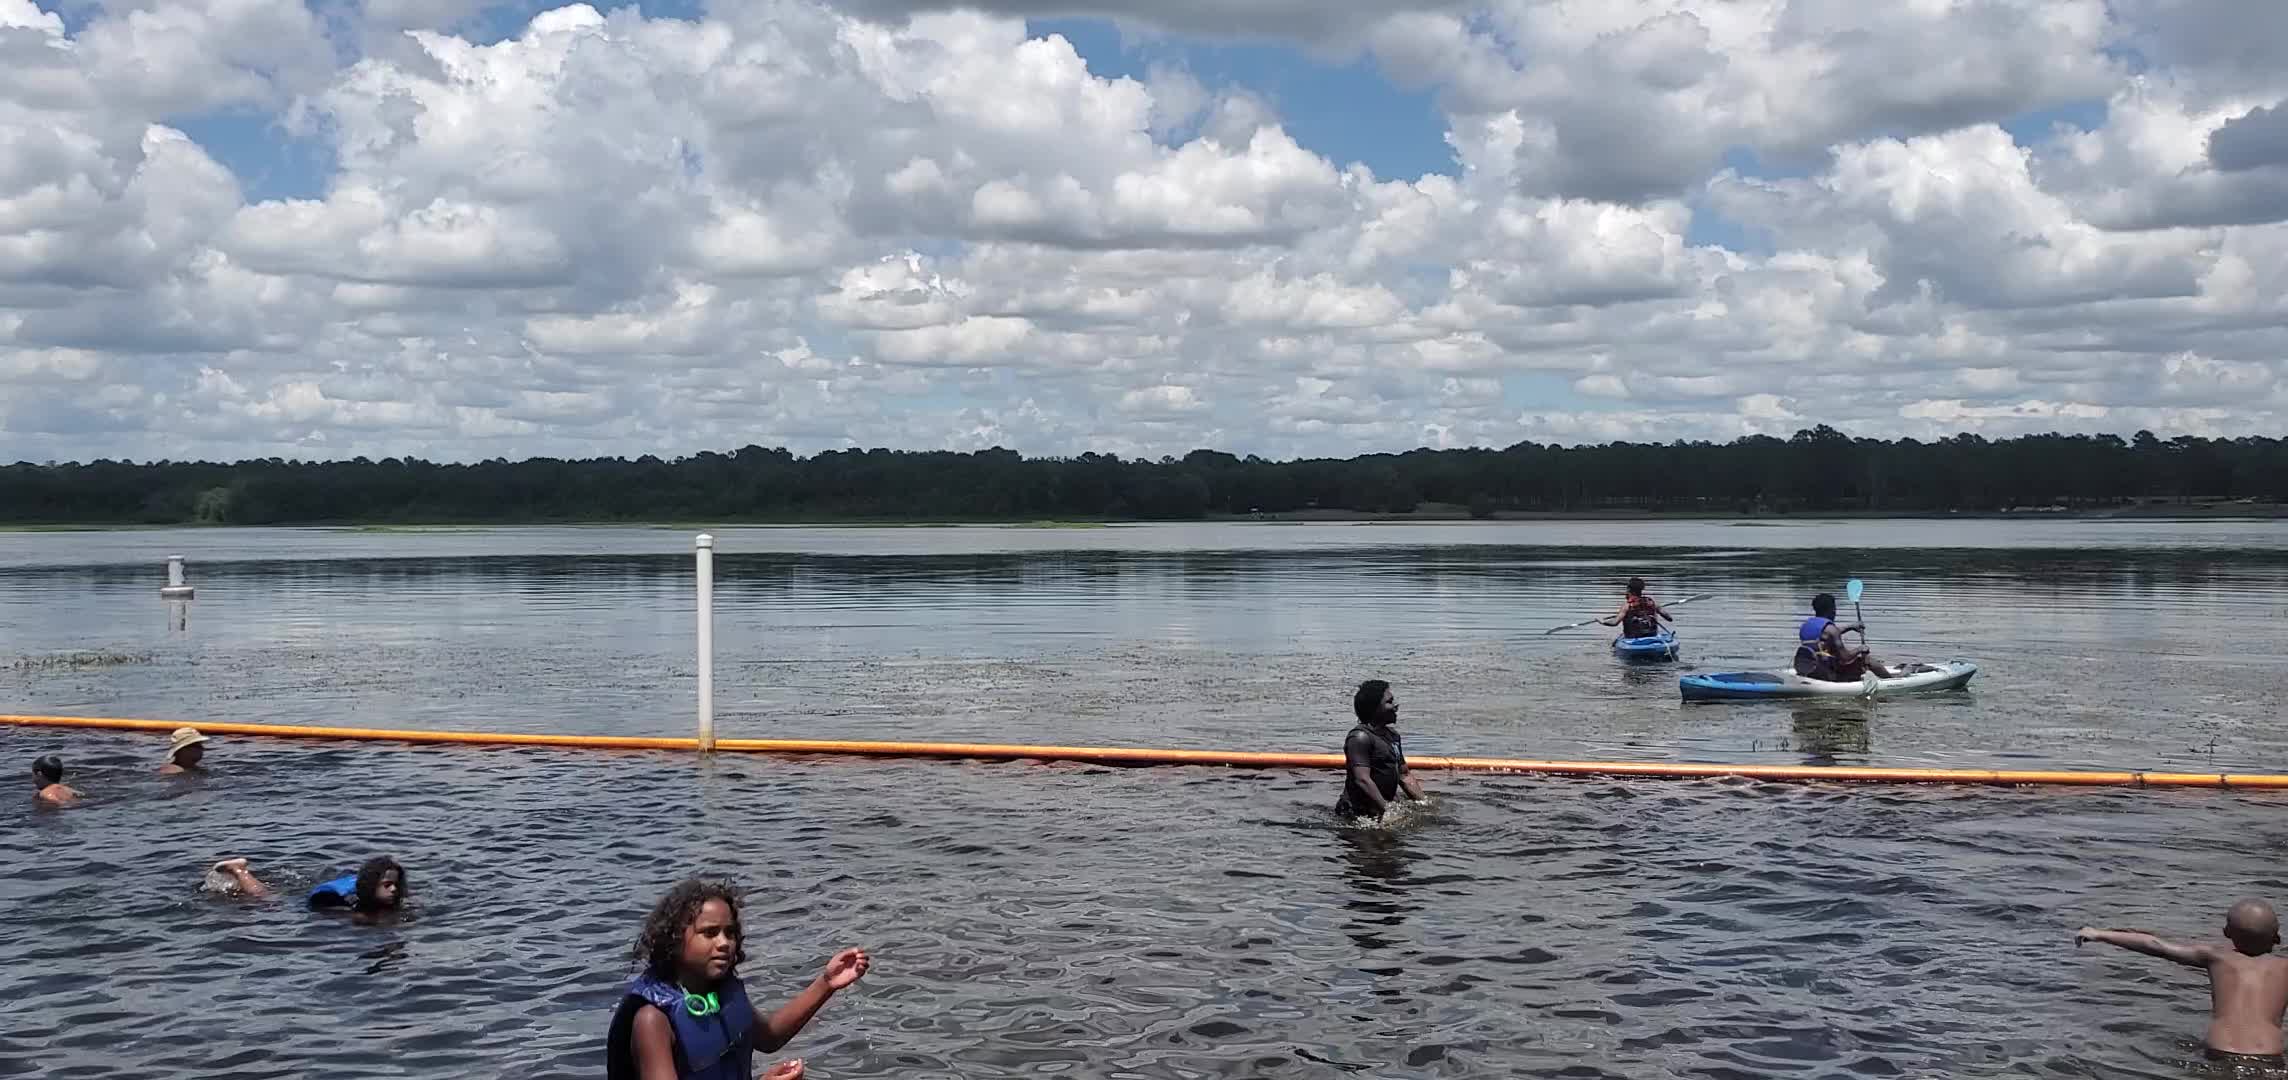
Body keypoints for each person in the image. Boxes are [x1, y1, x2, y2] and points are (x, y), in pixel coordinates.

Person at [605, 877, 870, 1080]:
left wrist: (826, 983)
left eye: (729, 933)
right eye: (709, 933)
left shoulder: (722, 993)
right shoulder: (653, 1020)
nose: (724, 943)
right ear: (674, 942)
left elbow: (769, 1037)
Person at [2077, 900, 2288, 1066]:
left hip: (2220, 1050)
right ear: (2277, 938)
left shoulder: (2215, 956)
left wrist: (2098, 934)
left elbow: (2156, 945)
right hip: (2268, 1055)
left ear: (2226, 933)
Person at [1334, 679, 1424, 821]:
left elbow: (1404, 775)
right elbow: (1362, 780)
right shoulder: (1360, 737)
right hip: (1356, 815)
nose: (1395, 706)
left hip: (1379, 810)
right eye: (1389, 702)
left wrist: (1424, 803)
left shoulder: (1393, 736)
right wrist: (1389, 811)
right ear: (1374, 709)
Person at [1794, 592, 1892, 681]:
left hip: (1809, 669)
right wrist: (1860, 649)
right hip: (1826, 674)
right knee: (1867, 660)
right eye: (1835, 608)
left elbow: (1826, 636)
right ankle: (1891, 681)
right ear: (1832, 609)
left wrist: (1850, 627)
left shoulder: (1806, 625)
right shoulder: (1832, 630)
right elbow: (1845, 658)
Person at [309, 856, 410, 923]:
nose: (394, 889)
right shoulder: (342, 901)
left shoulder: (395, 897)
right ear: (372, 885)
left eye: (396, 884)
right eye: (387, 885)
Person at [1601, 577, 1671, 639]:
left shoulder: (1627, 606)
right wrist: (1657, 609)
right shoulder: (1652, 603)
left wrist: (1602, 622)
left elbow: (1615, 623)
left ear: (1629, 589)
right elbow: (1669, 618)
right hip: (1652, 635)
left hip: (1632, 637)